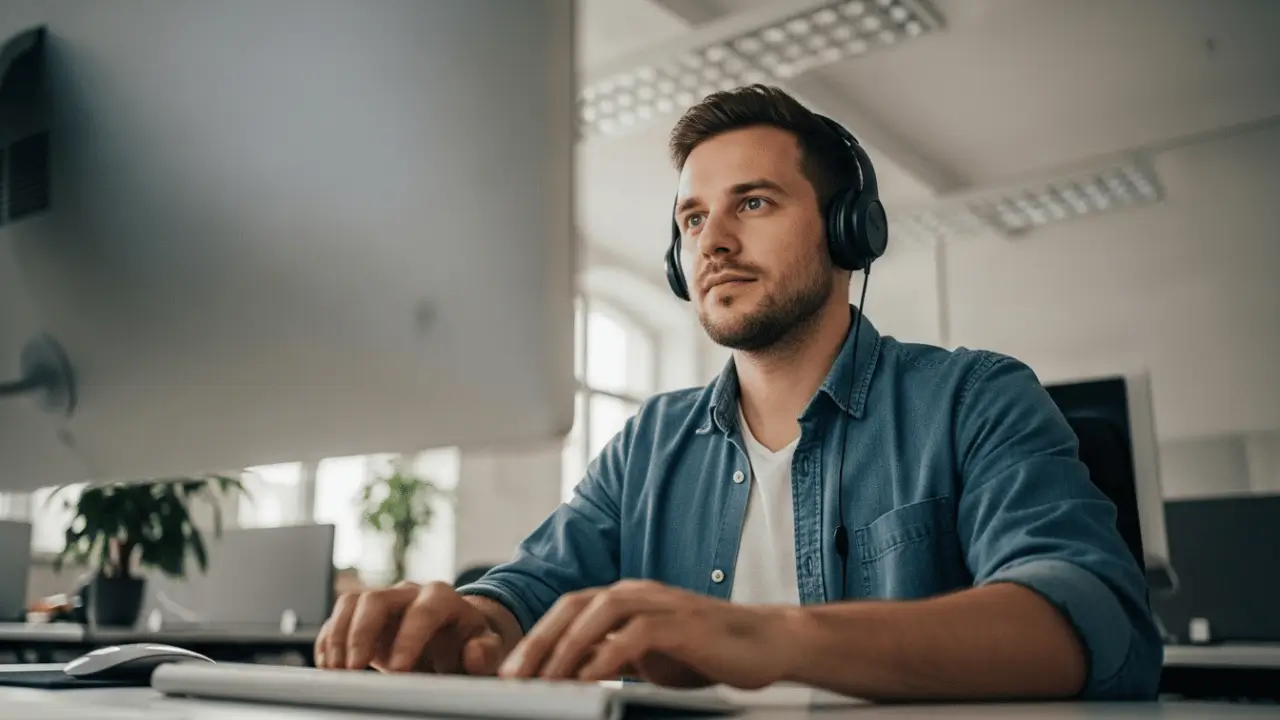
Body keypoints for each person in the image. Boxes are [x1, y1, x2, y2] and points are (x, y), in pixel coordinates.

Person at [314, 85, 1162, 701]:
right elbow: (530, 594)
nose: (711, 242)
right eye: (691, 220)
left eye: (752, 203)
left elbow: (1093, 619)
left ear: (849, 232)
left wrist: (769, 636)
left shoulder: (974, 399)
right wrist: (464, 622)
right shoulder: (649, 443)